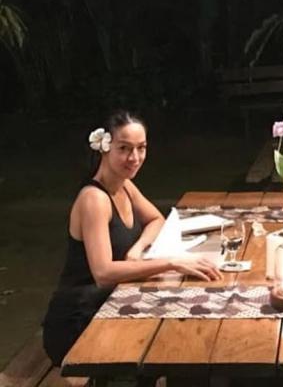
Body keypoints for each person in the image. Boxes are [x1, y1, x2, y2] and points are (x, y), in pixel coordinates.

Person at [43, 111, 222, 366]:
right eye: (124, 148)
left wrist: (137, 249)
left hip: (113, 303)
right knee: (170, 342)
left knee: (190, 327)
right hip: (79, 321)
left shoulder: (124, 185)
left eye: (141, 148)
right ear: (105, 148)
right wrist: (171, 263)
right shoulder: (94, 199)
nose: (135, 158)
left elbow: (157, 220)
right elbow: (103, 273)